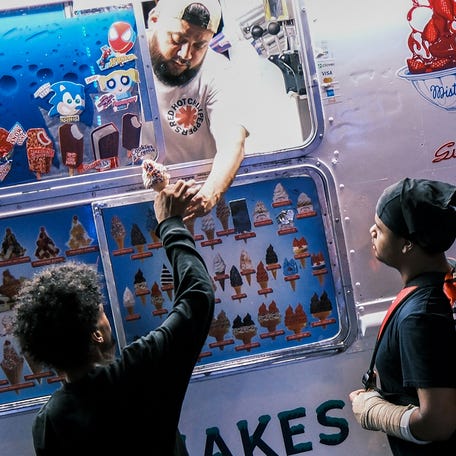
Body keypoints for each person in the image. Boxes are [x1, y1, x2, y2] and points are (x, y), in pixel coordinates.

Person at [13, 178, 215, 455]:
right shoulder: (139, 370)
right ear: (96, 334)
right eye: (101, 312)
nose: (106, 315)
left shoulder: (49, 421)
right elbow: (198, 295)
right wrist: (169, 223)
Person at [349, 177, 456, 455]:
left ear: (408, 244)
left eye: (381, 229)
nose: (372, 231)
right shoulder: (448, 276)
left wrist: (373, 411)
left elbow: (439, 422)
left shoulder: (419, 315)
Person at [144, 0, 249, 220]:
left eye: (199, 45)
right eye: (177, 40)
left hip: (199, 198)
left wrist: (210, 194)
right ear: (154, 21)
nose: (185, 54)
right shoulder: (123, 63)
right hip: (139, 200)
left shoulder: (219, 70)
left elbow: (233, 141)